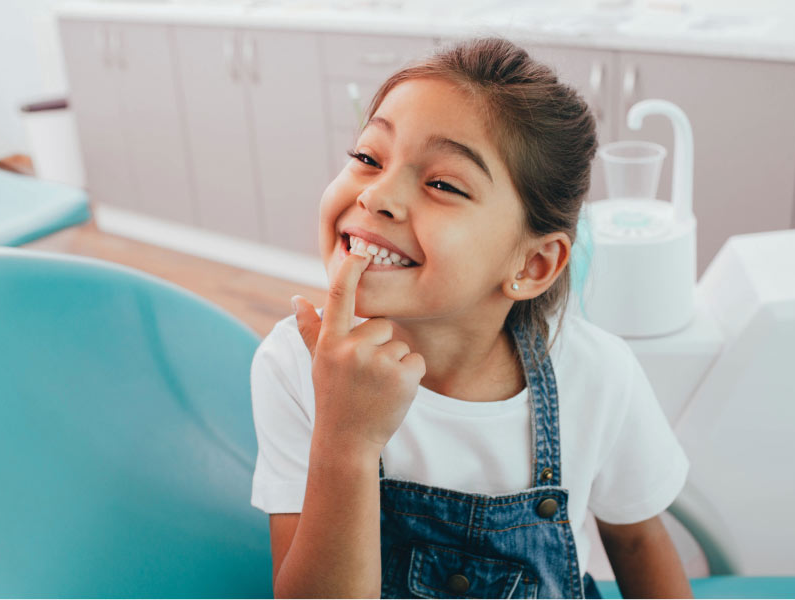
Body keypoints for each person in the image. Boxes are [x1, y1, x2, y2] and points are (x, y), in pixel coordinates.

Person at [250, 37, 692, 599]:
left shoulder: (600, 374)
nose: (377, 195)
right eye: (368, 157)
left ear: (532, 264)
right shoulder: (294, 365)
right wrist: (346, 440)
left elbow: (636, 543)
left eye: (442, 184)